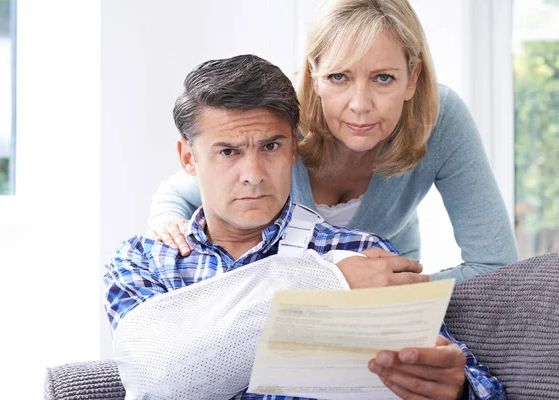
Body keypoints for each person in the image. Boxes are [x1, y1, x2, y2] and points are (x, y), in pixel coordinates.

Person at [104, 54, 504, 400]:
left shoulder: (365, 254)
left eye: (271, 146)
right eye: (228, 152)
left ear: (295, 147)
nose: (253, 175)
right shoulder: (143, 262)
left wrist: (457, 388)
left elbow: (478, 382)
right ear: (188, 159)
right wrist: (330, 283)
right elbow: (158, 379)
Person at [146, 0, 518, 283]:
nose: (360, 105)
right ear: (315, 74)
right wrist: (169, 228)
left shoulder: (441, 117)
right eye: (339, 77)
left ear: (412, 77)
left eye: (383, 78)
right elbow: (178, 194)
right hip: (287, 299)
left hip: (385, 293)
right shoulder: (279, 119)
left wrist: (398, 293)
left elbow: (495, 266)